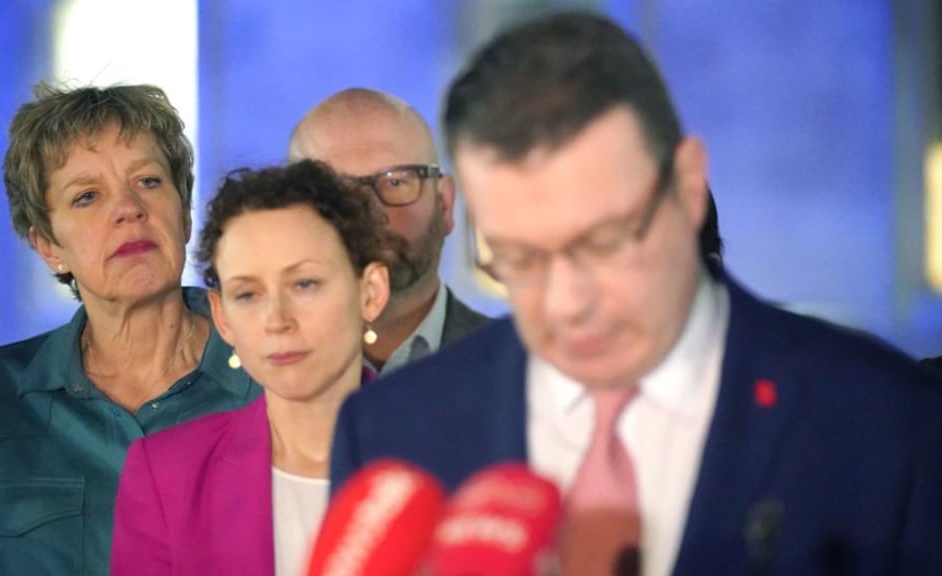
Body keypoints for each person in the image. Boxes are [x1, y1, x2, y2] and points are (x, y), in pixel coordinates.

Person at [331, 11, 942, 575]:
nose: (569, 301)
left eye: (605, 242)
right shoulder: (390, 435)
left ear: (688, 185)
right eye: (520, 258)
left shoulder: (885, 423)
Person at [0, 84, 258, 576]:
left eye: (148, 181)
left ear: (184, 215)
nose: (128, 208)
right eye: (87, 196)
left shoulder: (271, 367)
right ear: (48, 245)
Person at [110, 160, 390, 576]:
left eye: (304, 284)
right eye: (247, 294)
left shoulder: (451, 453)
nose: (277, 320)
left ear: (370, 293)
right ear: (222, 318)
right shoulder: (167, 473)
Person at [289, 88, 489, 374]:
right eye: (335, 190)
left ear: (444, 204)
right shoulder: (247, 377)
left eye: (395, 182)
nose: (368, 213)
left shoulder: (526, 372)